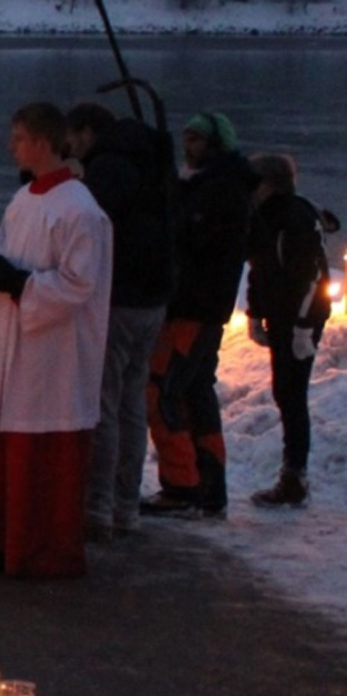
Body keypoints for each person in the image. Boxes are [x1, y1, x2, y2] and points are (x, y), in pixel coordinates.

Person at [0, 102, 111, 579]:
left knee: (36, 449)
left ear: (42, 142)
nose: (9, 145)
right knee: (2, 436)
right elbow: (7, 247)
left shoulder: (81, 210)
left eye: (17, 138)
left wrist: (19, 284)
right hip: (10, 340)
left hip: (49, 353)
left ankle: (39, 548)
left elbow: (80, 286)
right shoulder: (26, 199)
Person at [66, 103, 177, 542]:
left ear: (88, 132)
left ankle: (99, 506)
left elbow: (87, 219)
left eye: (72, 140)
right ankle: (127, 504)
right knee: (132, 401)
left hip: (119, 296)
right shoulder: (154, 159)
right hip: (154, 298)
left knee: (106, 403)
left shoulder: (109, 167)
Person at [143, 111, 257, 520]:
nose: (188, 146)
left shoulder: (218, 189)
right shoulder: (222, 185)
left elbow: (188, 242)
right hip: (206, 306)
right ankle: (209, 486)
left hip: (192, 308)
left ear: (214, 144)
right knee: (194, 392)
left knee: (161, 387)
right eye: (186, 138)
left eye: (195, 139)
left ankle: (181, 485)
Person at [243, 153, 336, 508]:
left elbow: (309, 277)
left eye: (255, 184)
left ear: (270, 184)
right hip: (284, 317)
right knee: (286, 392)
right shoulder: (267, 218)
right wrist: (255, 313)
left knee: (292, 394)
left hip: (302, 319)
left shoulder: (293, 219)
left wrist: (300, 327)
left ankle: (294, 478)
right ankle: (292, 474)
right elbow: (259, 268)